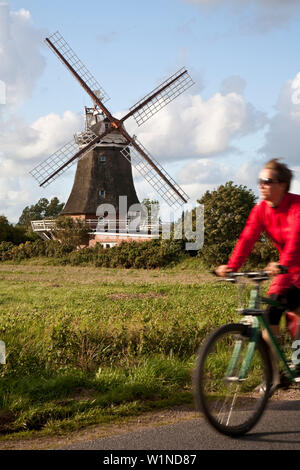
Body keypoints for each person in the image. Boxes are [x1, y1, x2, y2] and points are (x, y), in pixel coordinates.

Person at [215, 158, 300, 393]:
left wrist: (282, 263)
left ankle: (298, 357)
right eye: (259, 181)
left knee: (296, 313)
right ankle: (275, 377)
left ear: (282, 185)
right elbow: (247, 238)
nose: (261, 185)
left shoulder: (296, 207)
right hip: (287, 269)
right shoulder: (260, 209)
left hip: (291, 264)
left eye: (267, 181)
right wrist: (231, 266)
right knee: (269, 316)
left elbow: (296, 238)